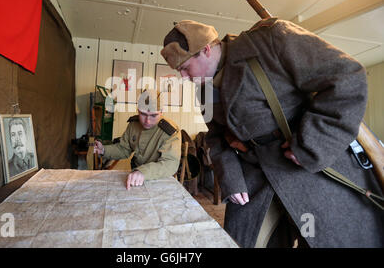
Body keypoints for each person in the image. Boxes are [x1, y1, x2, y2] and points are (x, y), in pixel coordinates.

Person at [160, 18, 383, 248]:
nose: (184, 79)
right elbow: (215, 137)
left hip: (309, 169)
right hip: (255, 179)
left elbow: (347, 76)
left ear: (205, 49)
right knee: (239, 242)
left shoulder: (270, 40)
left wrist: (310, 144)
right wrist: (232, 180)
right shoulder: (202, 90)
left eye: (185, 69)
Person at [94, 89, 182, 190]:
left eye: (153, 115)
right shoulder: (133, 124)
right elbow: (124, 149)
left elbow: (170, 163)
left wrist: (143, 172)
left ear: (162, 112)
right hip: (136, 177)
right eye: (143, 114)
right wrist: (104, 150)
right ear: (138, 110)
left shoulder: (169, 131)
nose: (147, 121)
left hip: (159, 179)